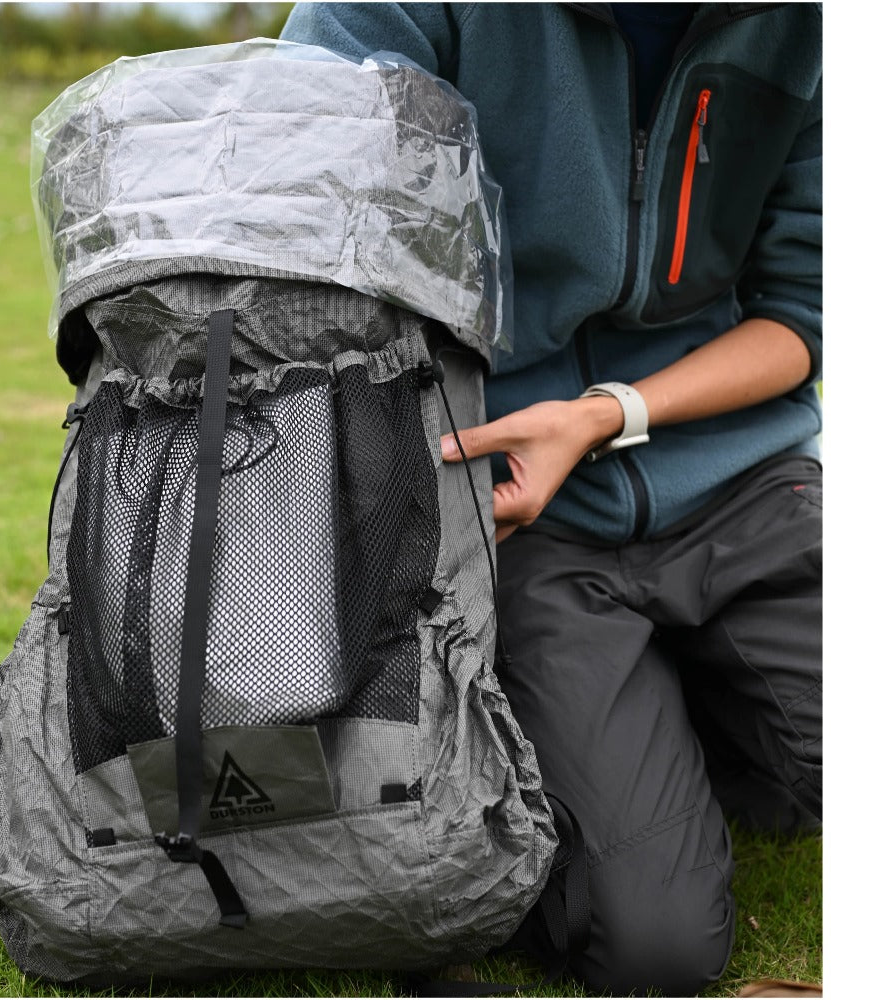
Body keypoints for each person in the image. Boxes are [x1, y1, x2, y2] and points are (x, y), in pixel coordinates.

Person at [281, 4, 822, 996]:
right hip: (523, 518)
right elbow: (287, 219)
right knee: (656, 948)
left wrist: (605, 414)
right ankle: (628, 733)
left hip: (746, 485)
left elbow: (804, 314)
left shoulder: (817, 27)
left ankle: (701, 725)